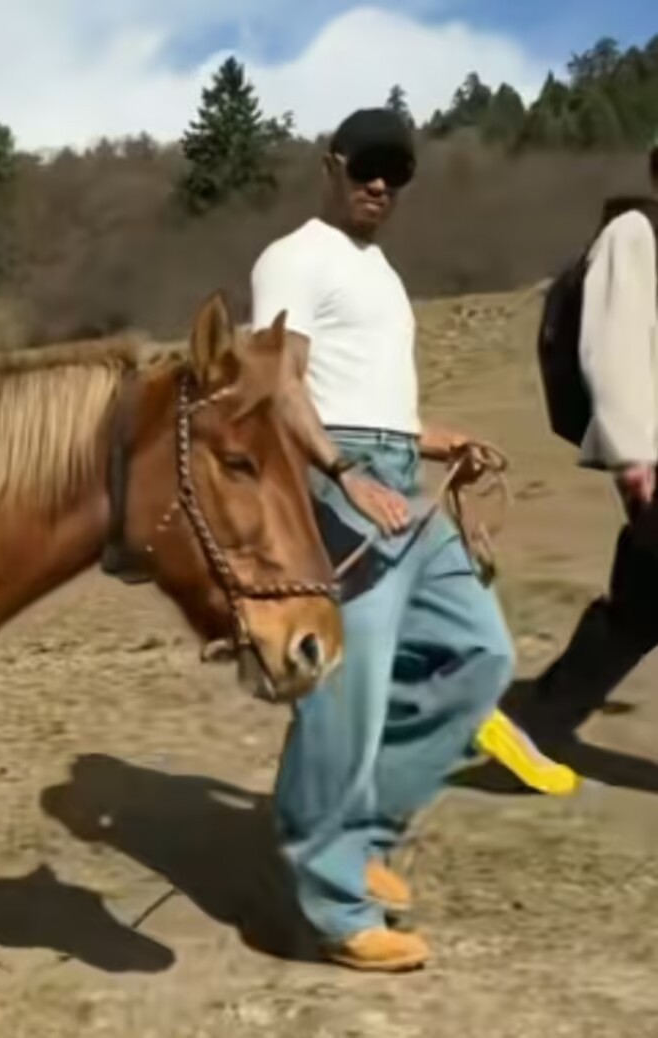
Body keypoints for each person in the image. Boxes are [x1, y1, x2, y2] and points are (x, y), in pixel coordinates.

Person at [250, 108, 517, 972]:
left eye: (394, 173)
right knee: (344, 693)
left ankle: (354, 828)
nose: (378, 184)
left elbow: (373, 400)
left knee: (479, 654)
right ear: (330, 164)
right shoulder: (294, 257)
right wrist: (341, 474)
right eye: (365, 166)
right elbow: (279, 387)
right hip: (342, 488)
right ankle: (332, 908)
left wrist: (437, 442)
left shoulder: (381, 271)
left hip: (399, 477)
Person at [514, 136, 658, 748]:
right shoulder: (635, 234)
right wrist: (632, 457)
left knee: (643, 605)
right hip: (653, 458)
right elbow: (615, 345)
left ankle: (537, 721)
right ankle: (536, 722)